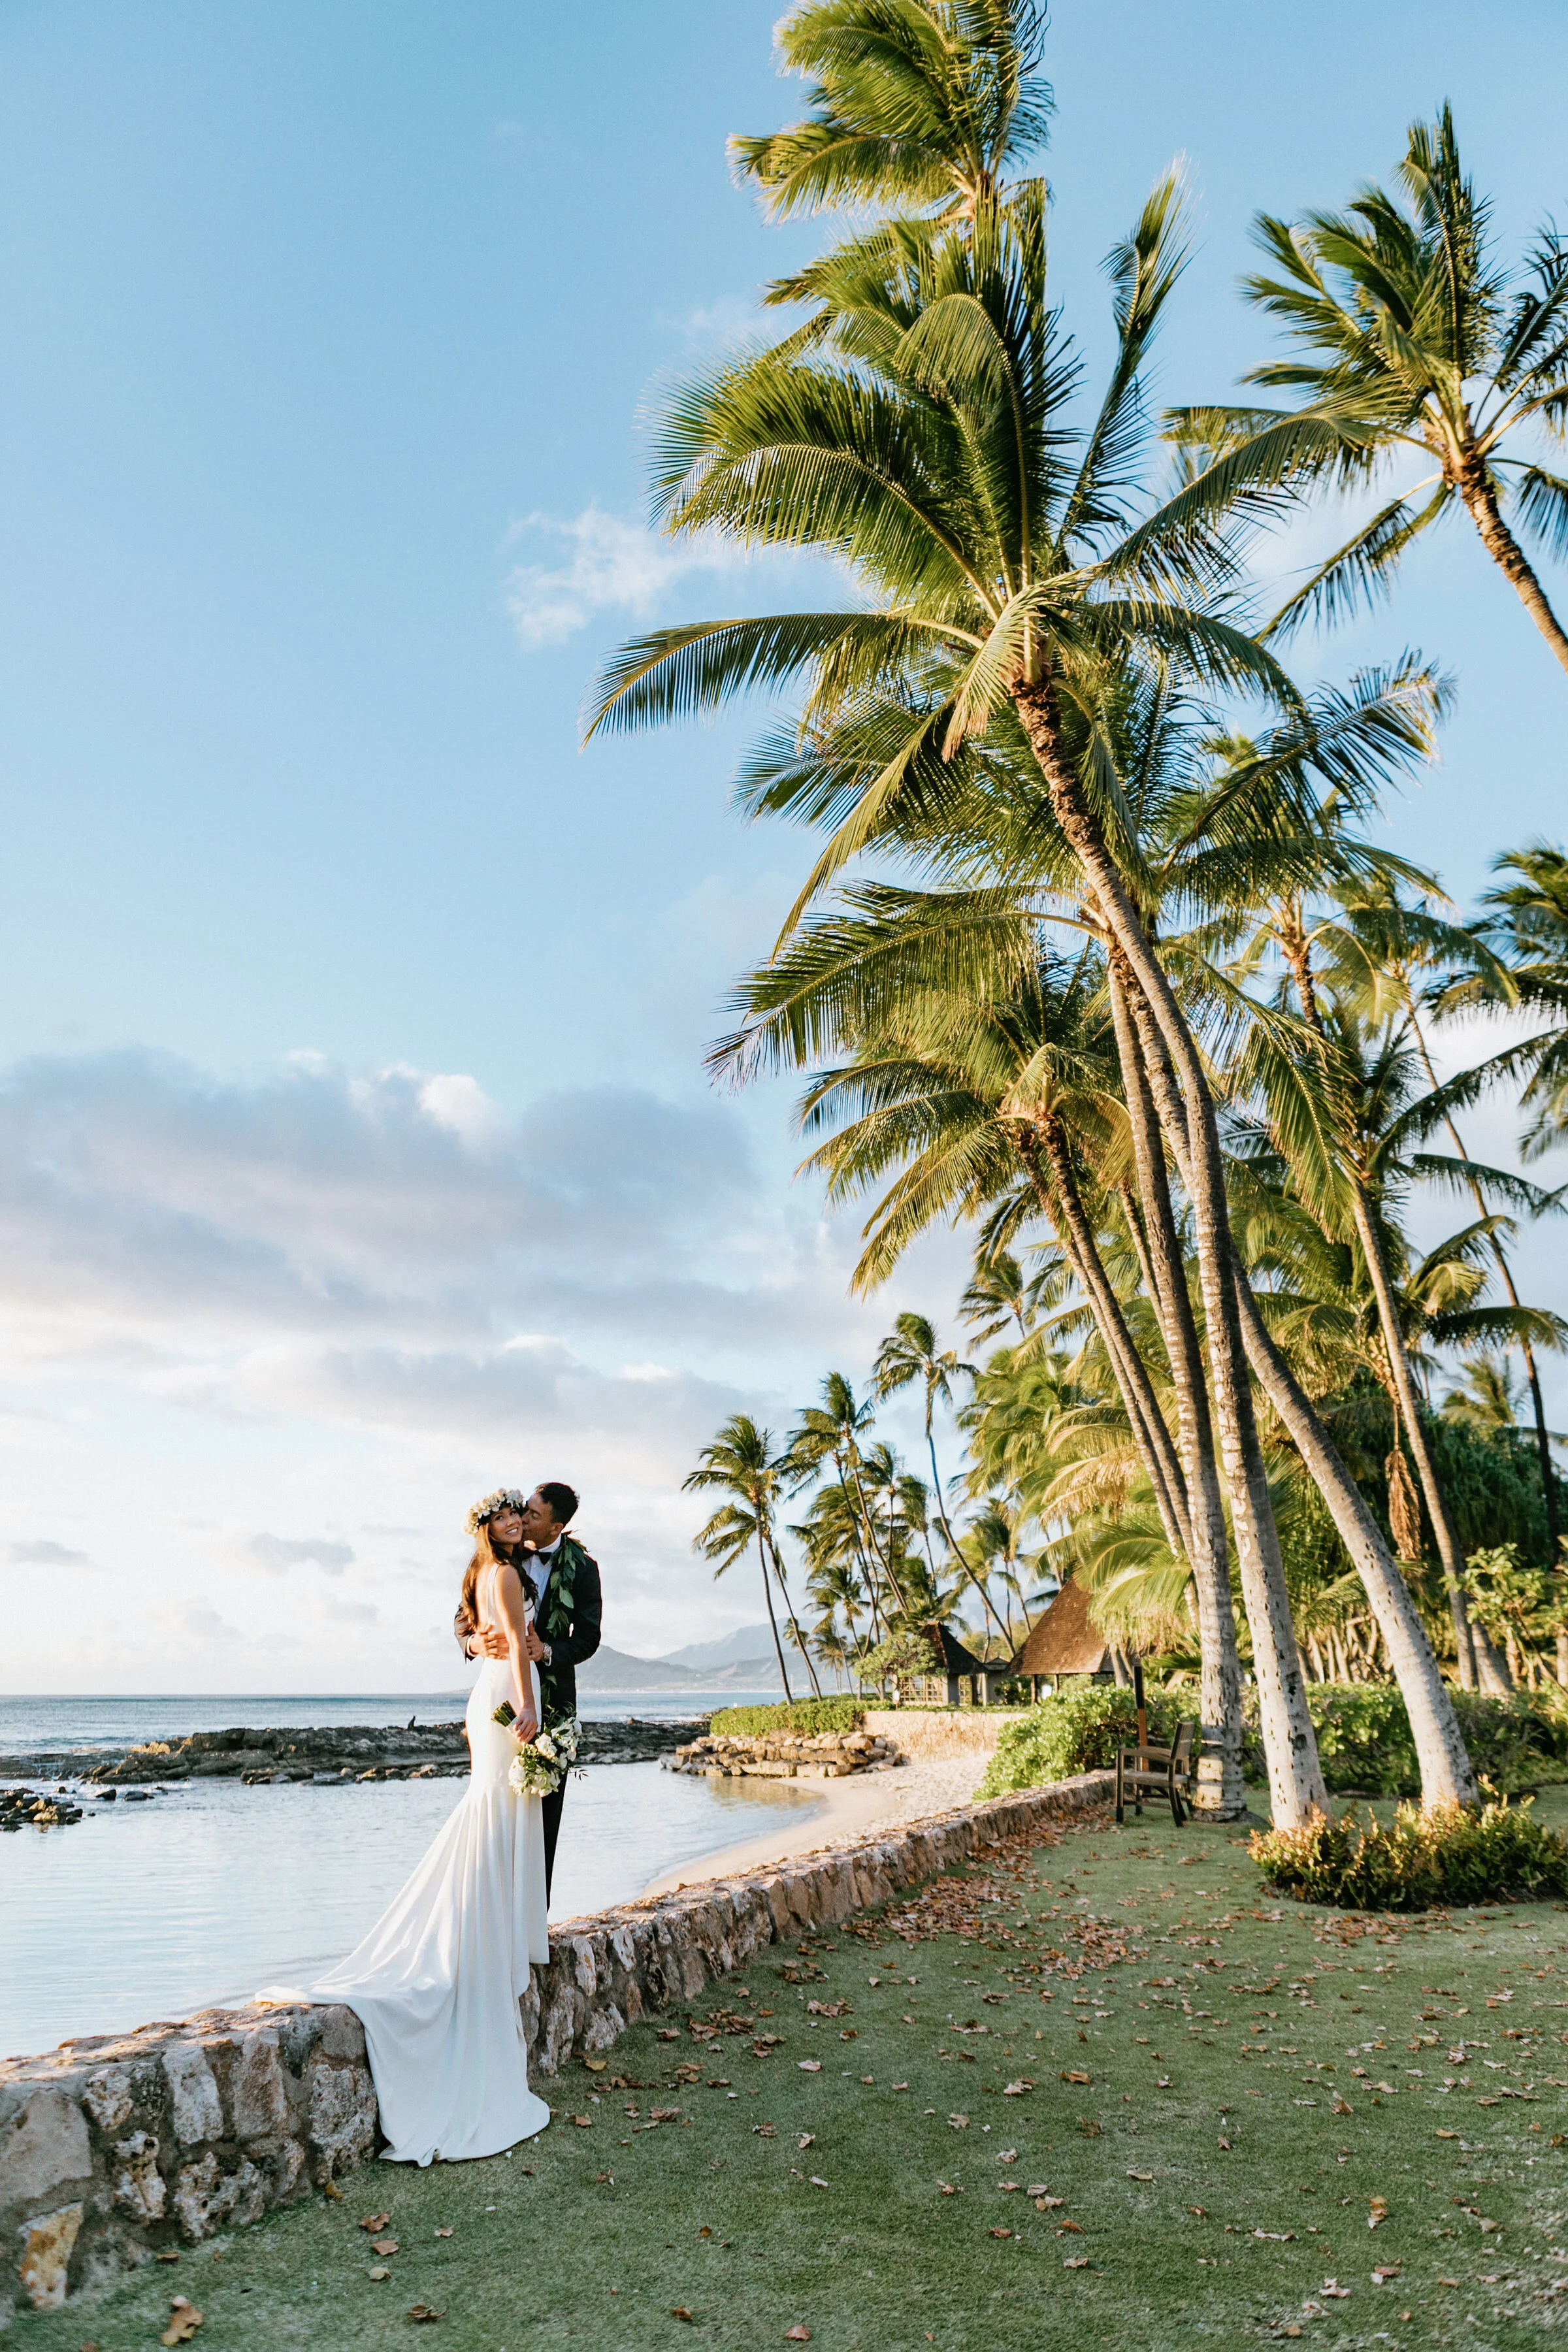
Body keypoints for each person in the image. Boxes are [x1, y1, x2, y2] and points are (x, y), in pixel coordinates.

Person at [257, 1489, 551, 2164]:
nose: (515, 1522)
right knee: (492, 1809)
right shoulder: (500, 1572)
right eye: (505, 1516)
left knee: (492, 1809)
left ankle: (481, 1930)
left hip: (488, 1701)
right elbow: (504, 1651)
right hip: (507, 1701)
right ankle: (480, 1938)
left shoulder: (482, 1572)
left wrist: (510, 1657)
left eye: (518, 1514)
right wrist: (531, 1706)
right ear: (489, 1527)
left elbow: (487, 1637)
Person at [455, 1480, 601, 1900]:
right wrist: (473, 1643)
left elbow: (588, 1638)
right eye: (521, 1510)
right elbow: (463, 1618)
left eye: (532, 1515)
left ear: (556, 1527)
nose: (520, 1518)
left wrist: (550, 1650)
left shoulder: (584, 1569)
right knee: (499, 1803)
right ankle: (491, 1908)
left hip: (552, 1703)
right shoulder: (499, 1556)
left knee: (543, 1815)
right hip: (504, 1696)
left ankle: (535, 1920)